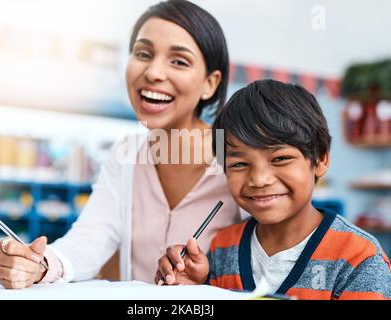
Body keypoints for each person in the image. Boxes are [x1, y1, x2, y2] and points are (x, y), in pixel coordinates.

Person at [0, 0, 243, 289]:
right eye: (143, 53)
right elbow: (90, 239)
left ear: (210, 83)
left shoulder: (238, 158)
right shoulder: (126, 155)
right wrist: (40, 264)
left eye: (178, 61)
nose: (153, 72)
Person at [156, 79, 391, 300]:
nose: (259, 179)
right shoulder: (223, 247)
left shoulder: (359, 258)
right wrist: (193, 293)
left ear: (320, 159)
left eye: (280, 159)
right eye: (239, 164)